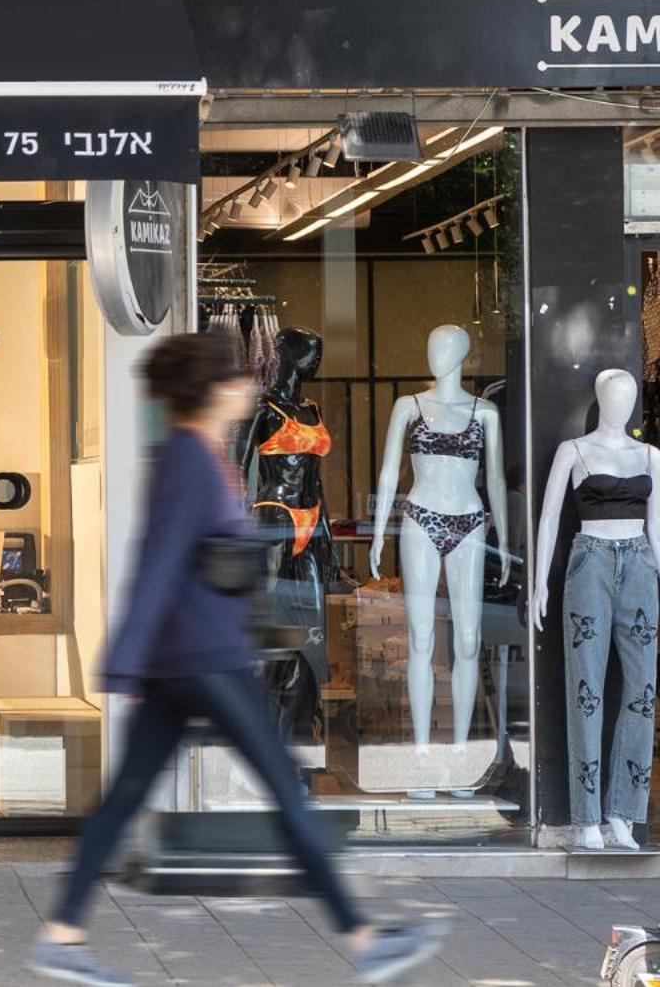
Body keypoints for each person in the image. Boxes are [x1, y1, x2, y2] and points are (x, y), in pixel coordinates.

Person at [28, 333, 446, 987]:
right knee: (283, 787)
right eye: (235, 378)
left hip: (188, 657)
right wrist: (126, 663)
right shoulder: (189, 461)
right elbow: (157, 562)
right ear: (211, 390)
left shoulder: (198, 454)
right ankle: (365, 939)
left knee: (128, 797)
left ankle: (61, 935)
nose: (248, 386)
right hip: (203, 659)